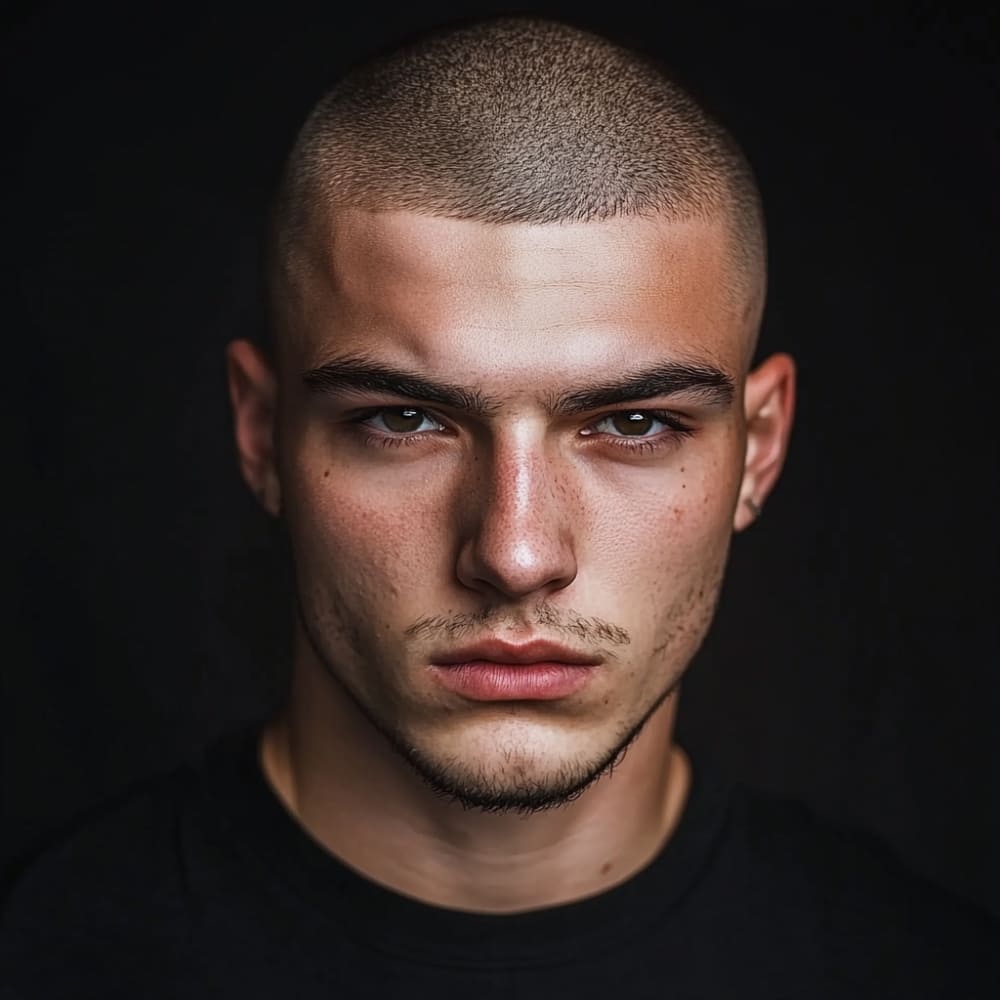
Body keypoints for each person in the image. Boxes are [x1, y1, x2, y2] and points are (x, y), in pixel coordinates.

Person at [2, 14, 996, 999]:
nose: (516, 552)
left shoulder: (926, 971)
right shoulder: (45, 956)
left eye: (634, 424)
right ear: (262, 435)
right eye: (403, 419)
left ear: (760, 447)